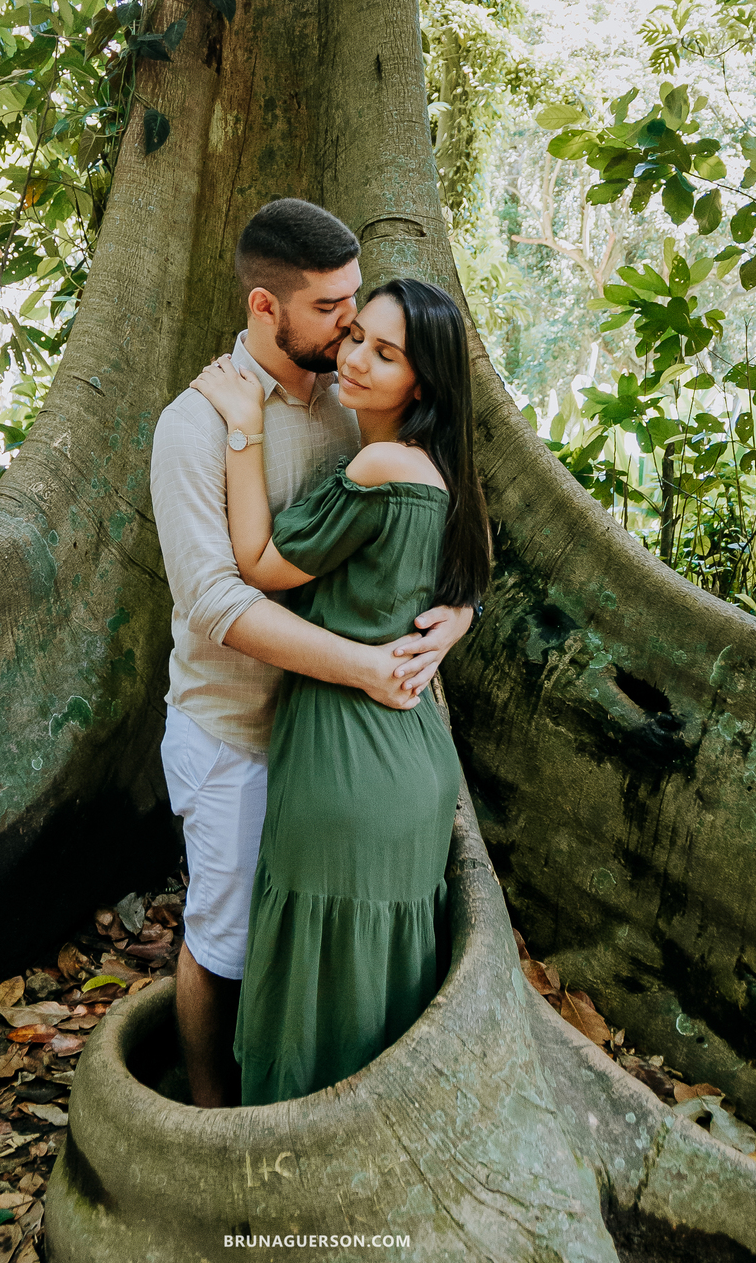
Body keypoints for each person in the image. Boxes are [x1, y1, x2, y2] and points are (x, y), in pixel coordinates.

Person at [150, 201, 475, 1107]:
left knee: (303, 950)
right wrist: (366, 667)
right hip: (235, 733)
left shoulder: (355, 401)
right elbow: (218, 598)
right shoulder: (196, 426)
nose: (350, 326)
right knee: (226, 944)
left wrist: (458, 613)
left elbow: (427, 526)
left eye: (358, 305)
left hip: (333, 743)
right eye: (333, 308)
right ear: (267, 306)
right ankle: (212, 1119)